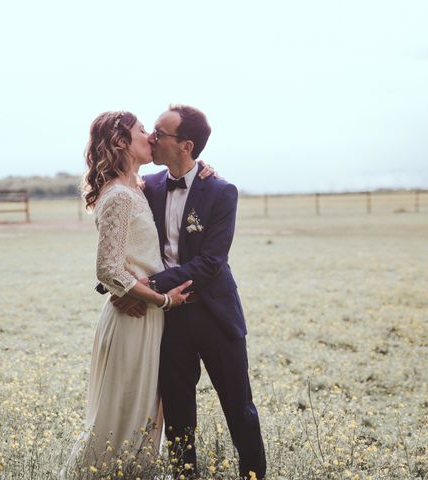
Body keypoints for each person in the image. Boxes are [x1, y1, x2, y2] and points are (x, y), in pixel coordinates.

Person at [111, 105, 267, 479]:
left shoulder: (221, 191)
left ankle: (254, 474)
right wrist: (115, 283)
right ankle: (184, 474)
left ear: (186, 145)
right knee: (178, 409)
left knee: (238, 406)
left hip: (215, 313)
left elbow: (211, 263)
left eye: (160, 134)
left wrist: (147, 286)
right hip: (168, 317)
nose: (151, 138)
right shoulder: (145, 189)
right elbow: (119, 240)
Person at [60, 111, 201, 478]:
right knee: (121, 411)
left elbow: (128, 260)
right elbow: (108, 268)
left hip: (145, 314)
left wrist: (203, 168)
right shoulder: (120, 196)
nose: (151, 137)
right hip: (132, 319)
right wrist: (163, 299)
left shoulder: (136, 187)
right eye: (143, 132)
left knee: (142, 411)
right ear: (122, 141)